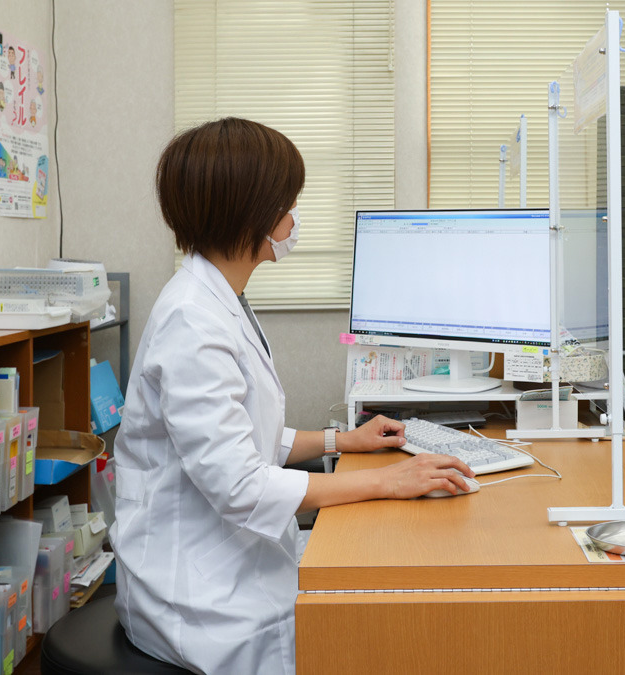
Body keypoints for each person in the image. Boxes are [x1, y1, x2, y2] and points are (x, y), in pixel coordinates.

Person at [111, 117, 476, 674]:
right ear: (251, 213)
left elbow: (245, 435)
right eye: (288, 202)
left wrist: (342, 441)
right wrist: (387, 481)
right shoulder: (192, 322)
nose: (294, 216)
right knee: (370, 633)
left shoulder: (219, 298)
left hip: (230, 559)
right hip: (199, 597)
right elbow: (240, 486)